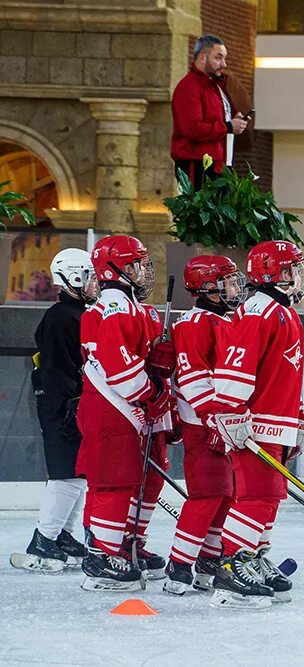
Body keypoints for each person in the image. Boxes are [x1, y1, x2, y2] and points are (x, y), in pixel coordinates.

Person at [210, 240, 304, 609]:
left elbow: (292, 372)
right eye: (292, 269)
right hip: (255, 424)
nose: (299, 276)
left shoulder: (285, 312)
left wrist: (300, 417)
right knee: (255, 494)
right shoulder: (257, 311)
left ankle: (252, 556)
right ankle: (230, 567)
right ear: (274, 274)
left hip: (278, 422)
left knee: (270, 496)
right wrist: (232, 412)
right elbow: (234, 369)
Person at [77, 235, 174, 591]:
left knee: (145, 480)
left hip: (130, 410)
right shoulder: (114, 308)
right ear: (114, 269)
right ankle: (103, 555)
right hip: (112, 407)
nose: (143, 271)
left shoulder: (134, 308)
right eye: (135, 264)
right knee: (115, 481)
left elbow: (142, 359)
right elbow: (119, 369)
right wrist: (154, 391)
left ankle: (128, 542)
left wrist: (162, 360)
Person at [163, 256, 247, 595]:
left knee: (227, 495)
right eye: (226, 282)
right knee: (207, 493)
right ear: (207, 287)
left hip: (225, 423)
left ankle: (209, 559)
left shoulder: (225, 319)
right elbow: (195, 378)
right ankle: (179, 563)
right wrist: (212, 418)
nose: (233, 288)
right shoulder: (195, 323)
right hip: (204, 424)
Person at [13, 249, 99, 573]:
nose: (94, 284)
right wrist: (68, 405)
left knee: (78, 474)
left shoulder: (80, 313)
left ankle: (62, 534)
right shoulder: (62, 316)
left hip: (71, 404)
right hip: (61, 406)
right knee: (66, 474)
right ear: (73, 279)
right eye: (88, 277)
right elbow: (56, 368)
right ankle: (44, 540)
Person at [170, 34, 248, 189]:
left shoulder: (215, 86)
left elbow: (214, 119)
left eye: (224, 58)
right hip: (198, 164)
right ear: (202, 58)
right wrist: (228, 126)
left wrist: (233, 119)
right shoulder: (189, 87)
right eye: (218, 58)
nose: (224, 64)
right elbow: (192, 128)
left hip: (221, 164)